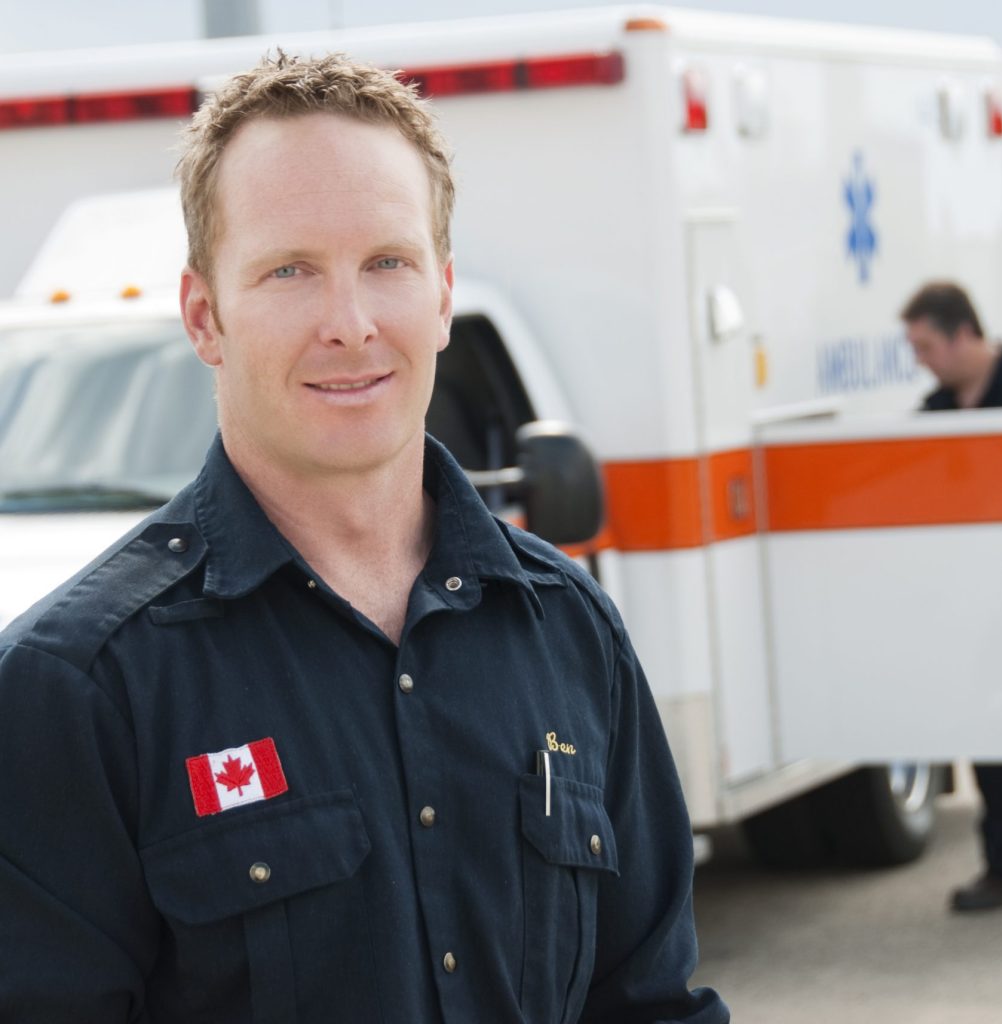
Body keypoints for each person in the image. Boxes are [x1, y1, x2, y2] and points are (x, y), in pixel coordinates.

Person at [0, 52, 729, 1022]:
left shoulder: (568, 631)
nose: (348, 324)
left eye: (386, 262)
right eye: (289, 269)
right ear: (205, 315)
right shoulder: (78, 688)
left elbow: (649, 1003)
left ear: (440, 294)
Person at [902, 280, 1002, 912]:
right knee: (996, 737)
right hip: (979, 610)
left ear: (964, 334)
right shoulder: (934, 417)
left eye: (926, 345)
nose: (920, 358)